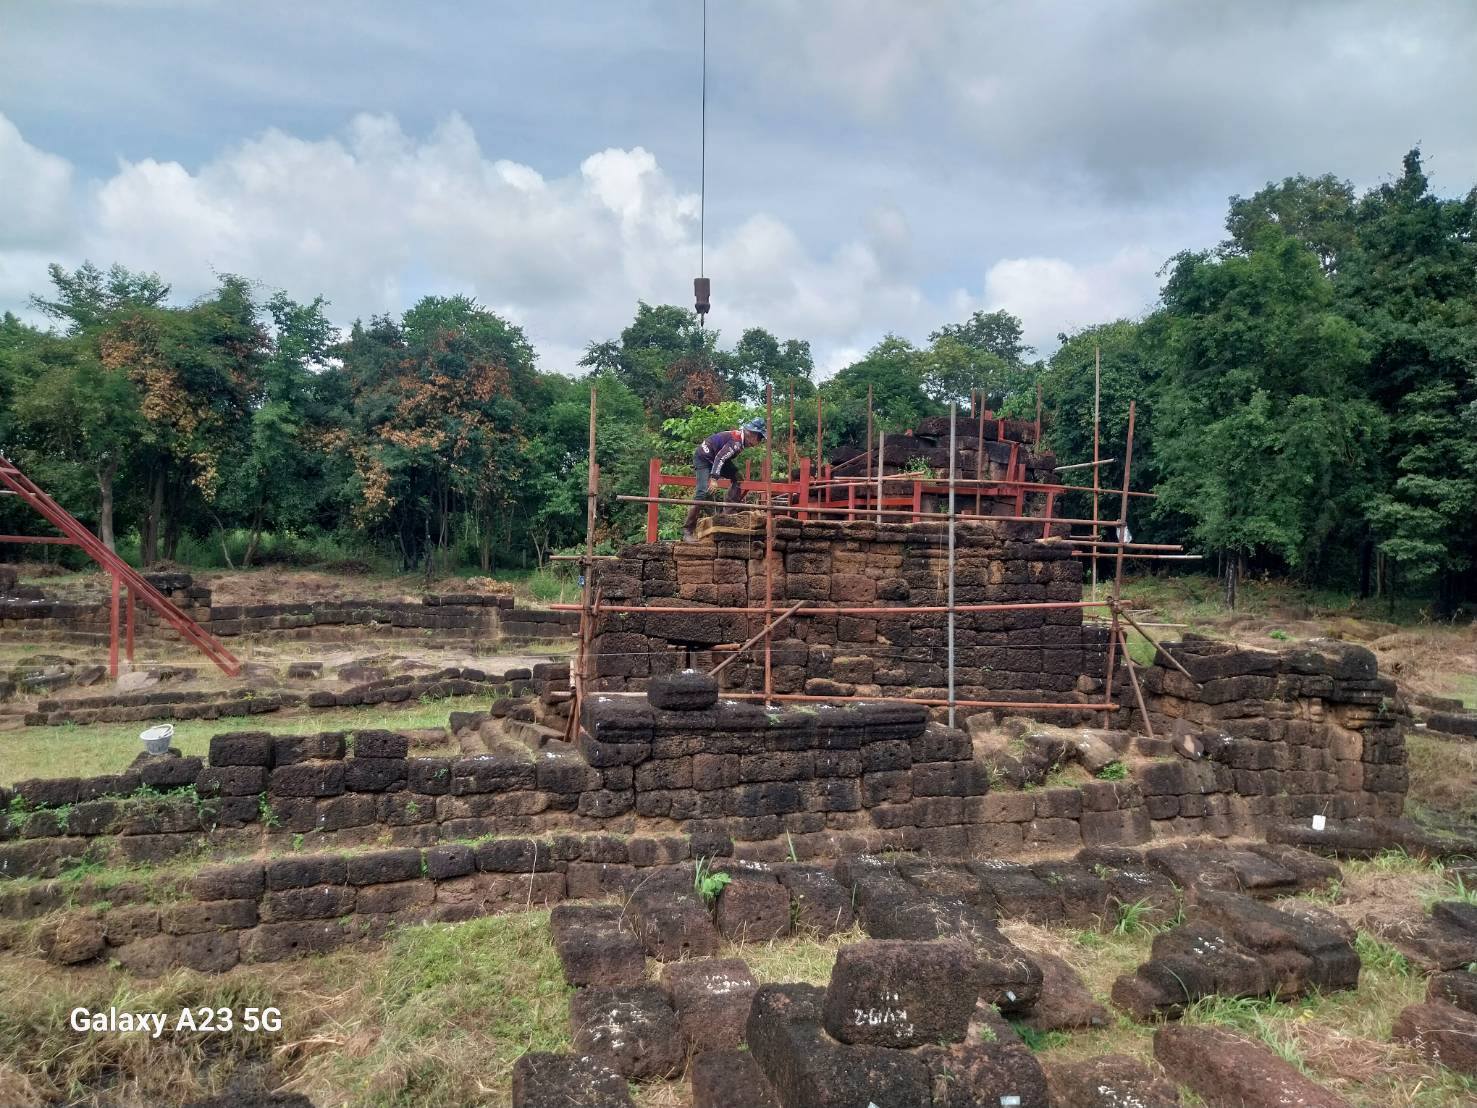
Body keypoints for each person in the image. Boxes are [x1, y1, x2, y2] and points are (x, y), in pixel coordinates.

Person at [682, 418, 767, 541]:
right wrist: (714, 478)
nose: (759, 442)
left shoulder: (741, 441)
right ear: (752, 434)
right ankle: (688, 529)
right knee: (701, 492)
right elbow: (720, 458)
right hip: (704, 458)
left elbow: (722, 458)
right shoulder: (736, 442)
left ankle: (728, 514)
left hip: (715, 457)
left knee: (738, 477)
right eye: (759, 438)